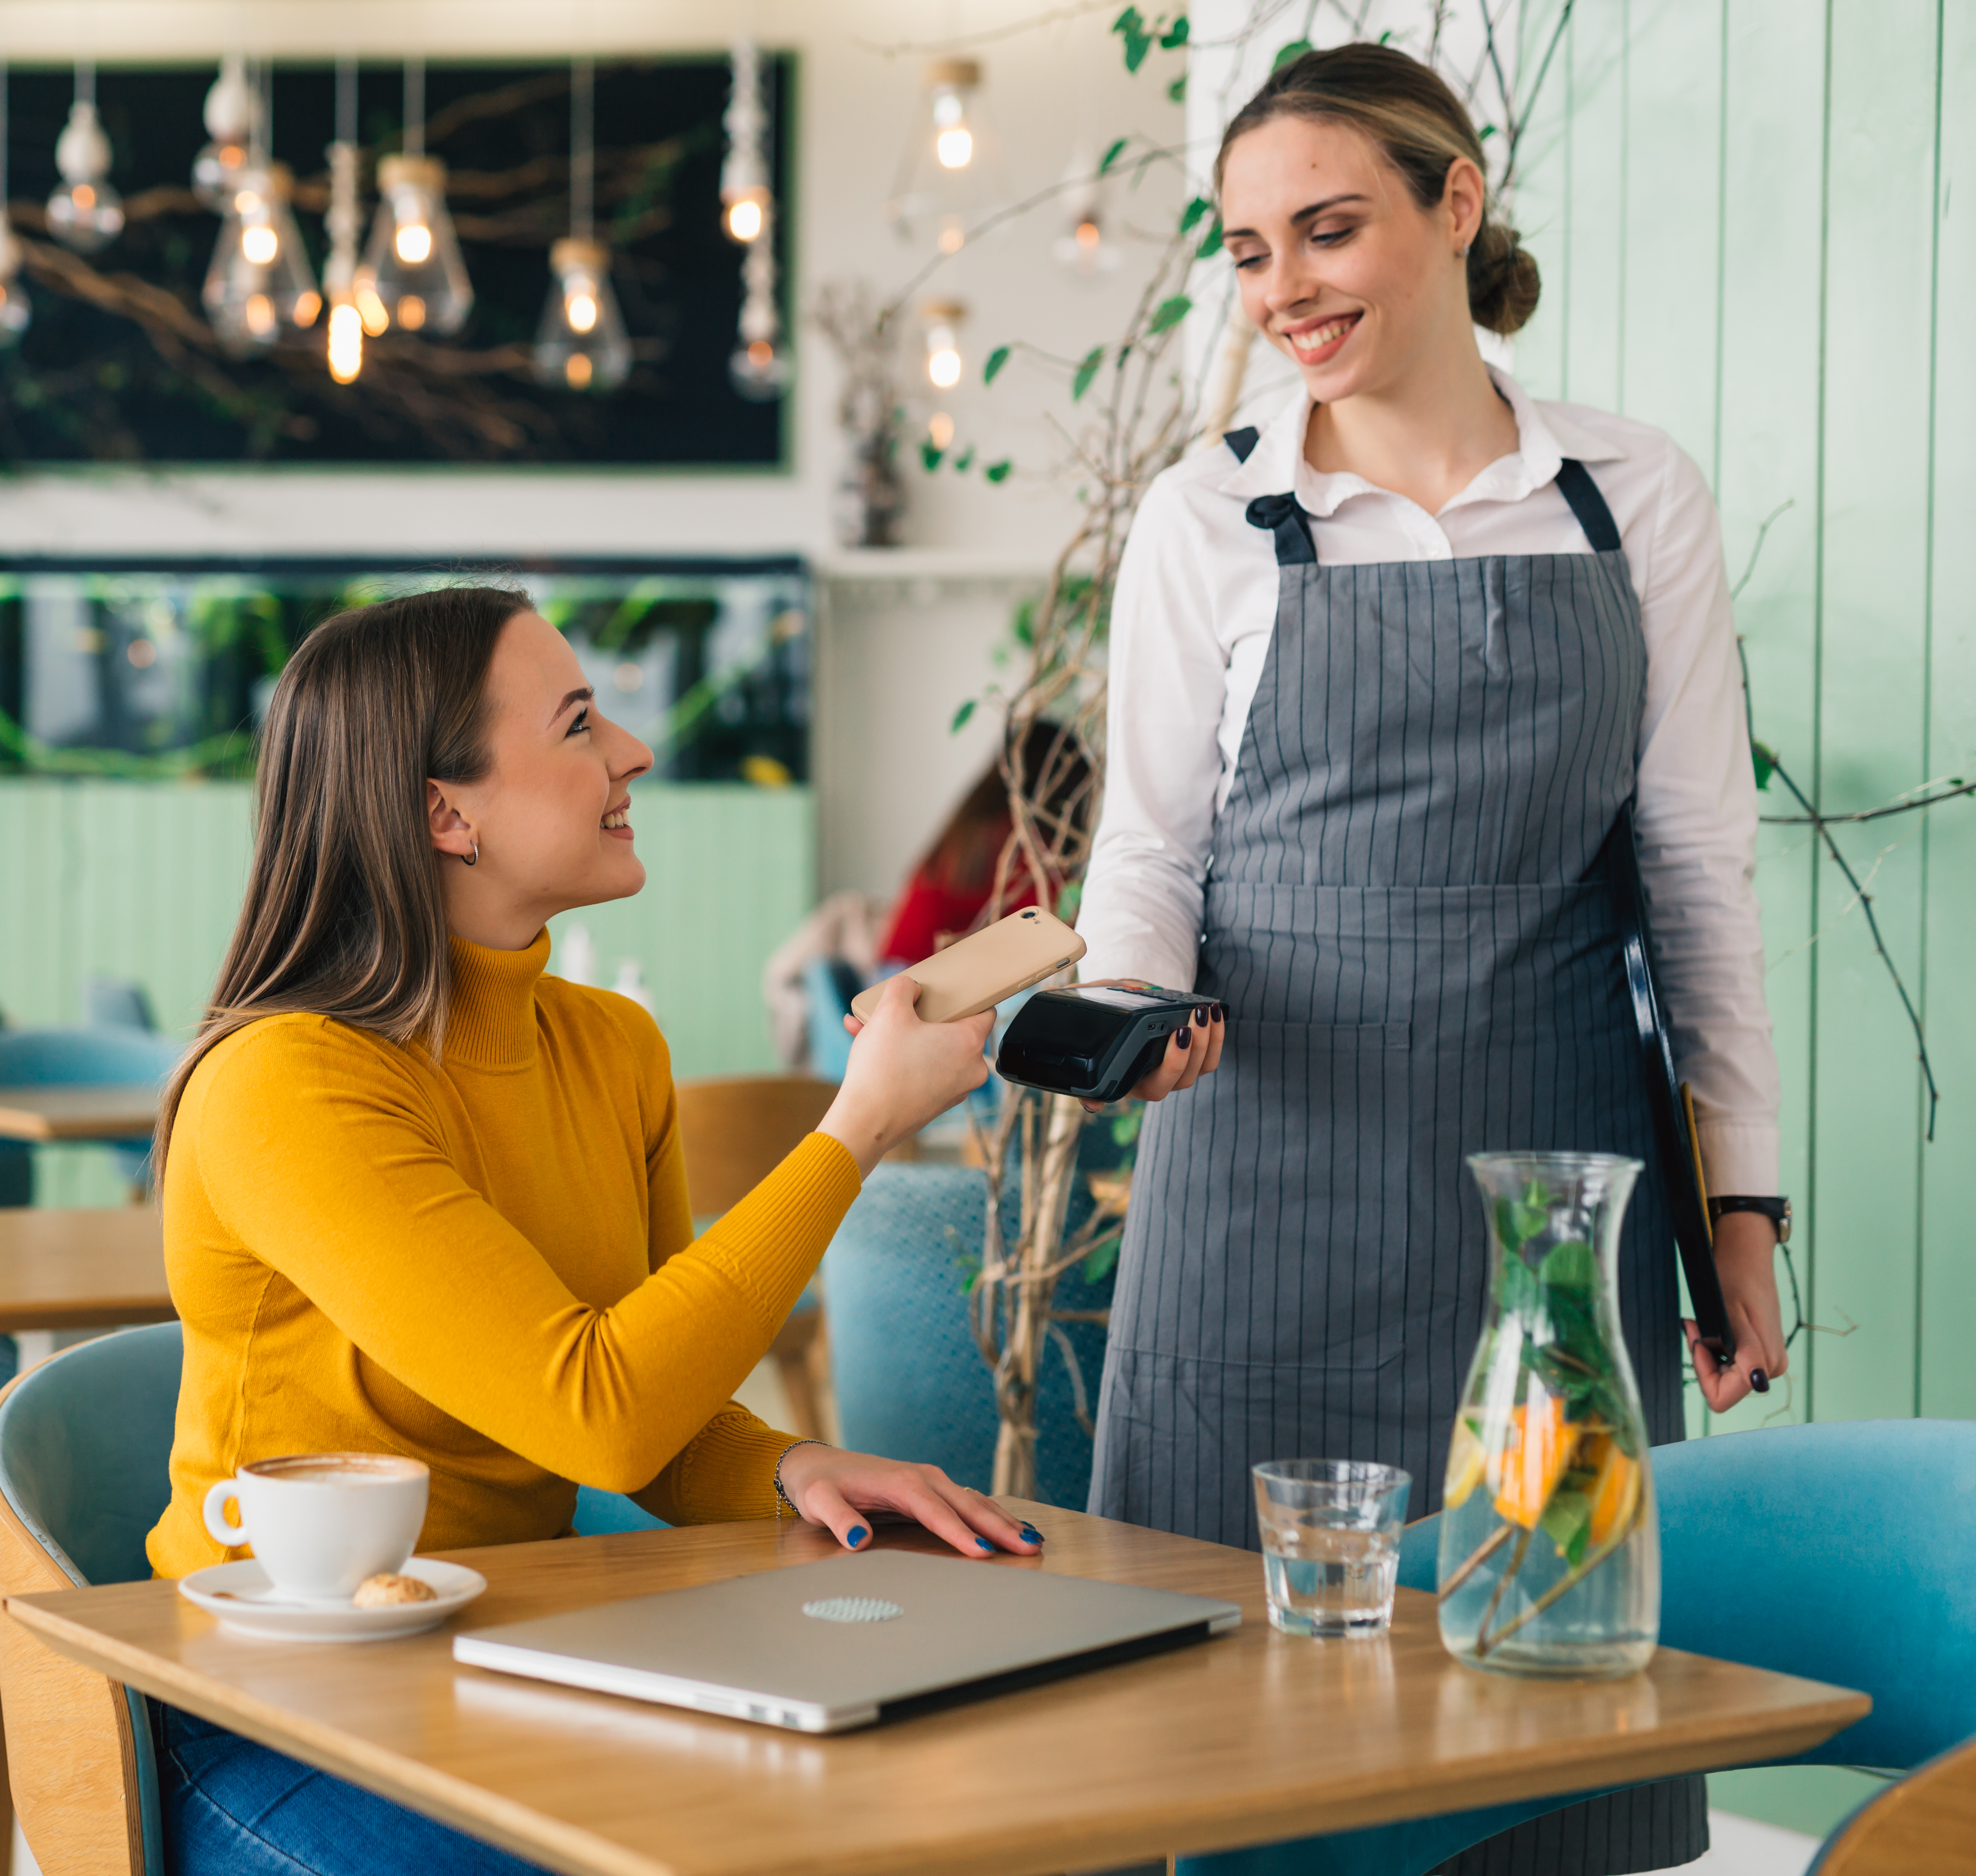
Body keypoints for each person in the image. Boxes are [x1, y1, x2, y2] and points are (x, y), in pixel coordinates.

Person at [1074, 44, 1788, 1875]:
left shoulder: (1630, 498)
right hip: (1259, 1194)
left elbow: (1695, 868)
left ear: (1451, 206)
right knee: (1233, 1740)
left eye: (1326, 231)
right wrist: (1123, 1027)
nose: (1283, 289)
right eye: (1245, 252)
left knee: (1548, 1730)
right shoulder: (1205, 518)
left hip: (1550, 1195)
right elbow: (1144, 859)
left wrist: (1742, 1214)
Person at [146, 585, 1030, 1874]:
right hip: (266, 1714)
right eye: (577, 725)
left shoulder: (612, 1050)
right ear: (448, 813)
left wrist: (788, 1467)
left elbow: (651, 1406)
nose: (634, 752)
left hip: (511, 1665)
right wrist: (860, 1126)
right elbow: (598, 1407)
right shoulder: (287, 1087)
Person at [878, 717, 1097, 966]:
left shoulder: (974, 825)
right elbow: (1056, 923)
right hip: (914, 980)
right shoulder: (1016, 838)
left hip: (890, 976)